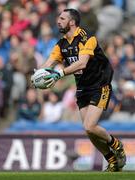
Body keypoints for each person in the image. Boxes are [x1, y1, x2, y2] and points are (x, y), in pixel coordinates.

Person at [31, 9, 126, 172]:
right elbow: (49, 63)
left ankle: (116, 145)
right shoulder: (61, 44)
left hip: (100, 85)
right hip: (83, 88)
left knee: (90, 126)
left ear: (72, 22)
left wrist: (59, 73)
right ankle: (113, 161)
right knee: (89, 131)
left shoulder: (87, 39)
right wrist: (37, 76)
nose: (58, 21)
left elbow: (82, 63)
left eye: (62, 18)